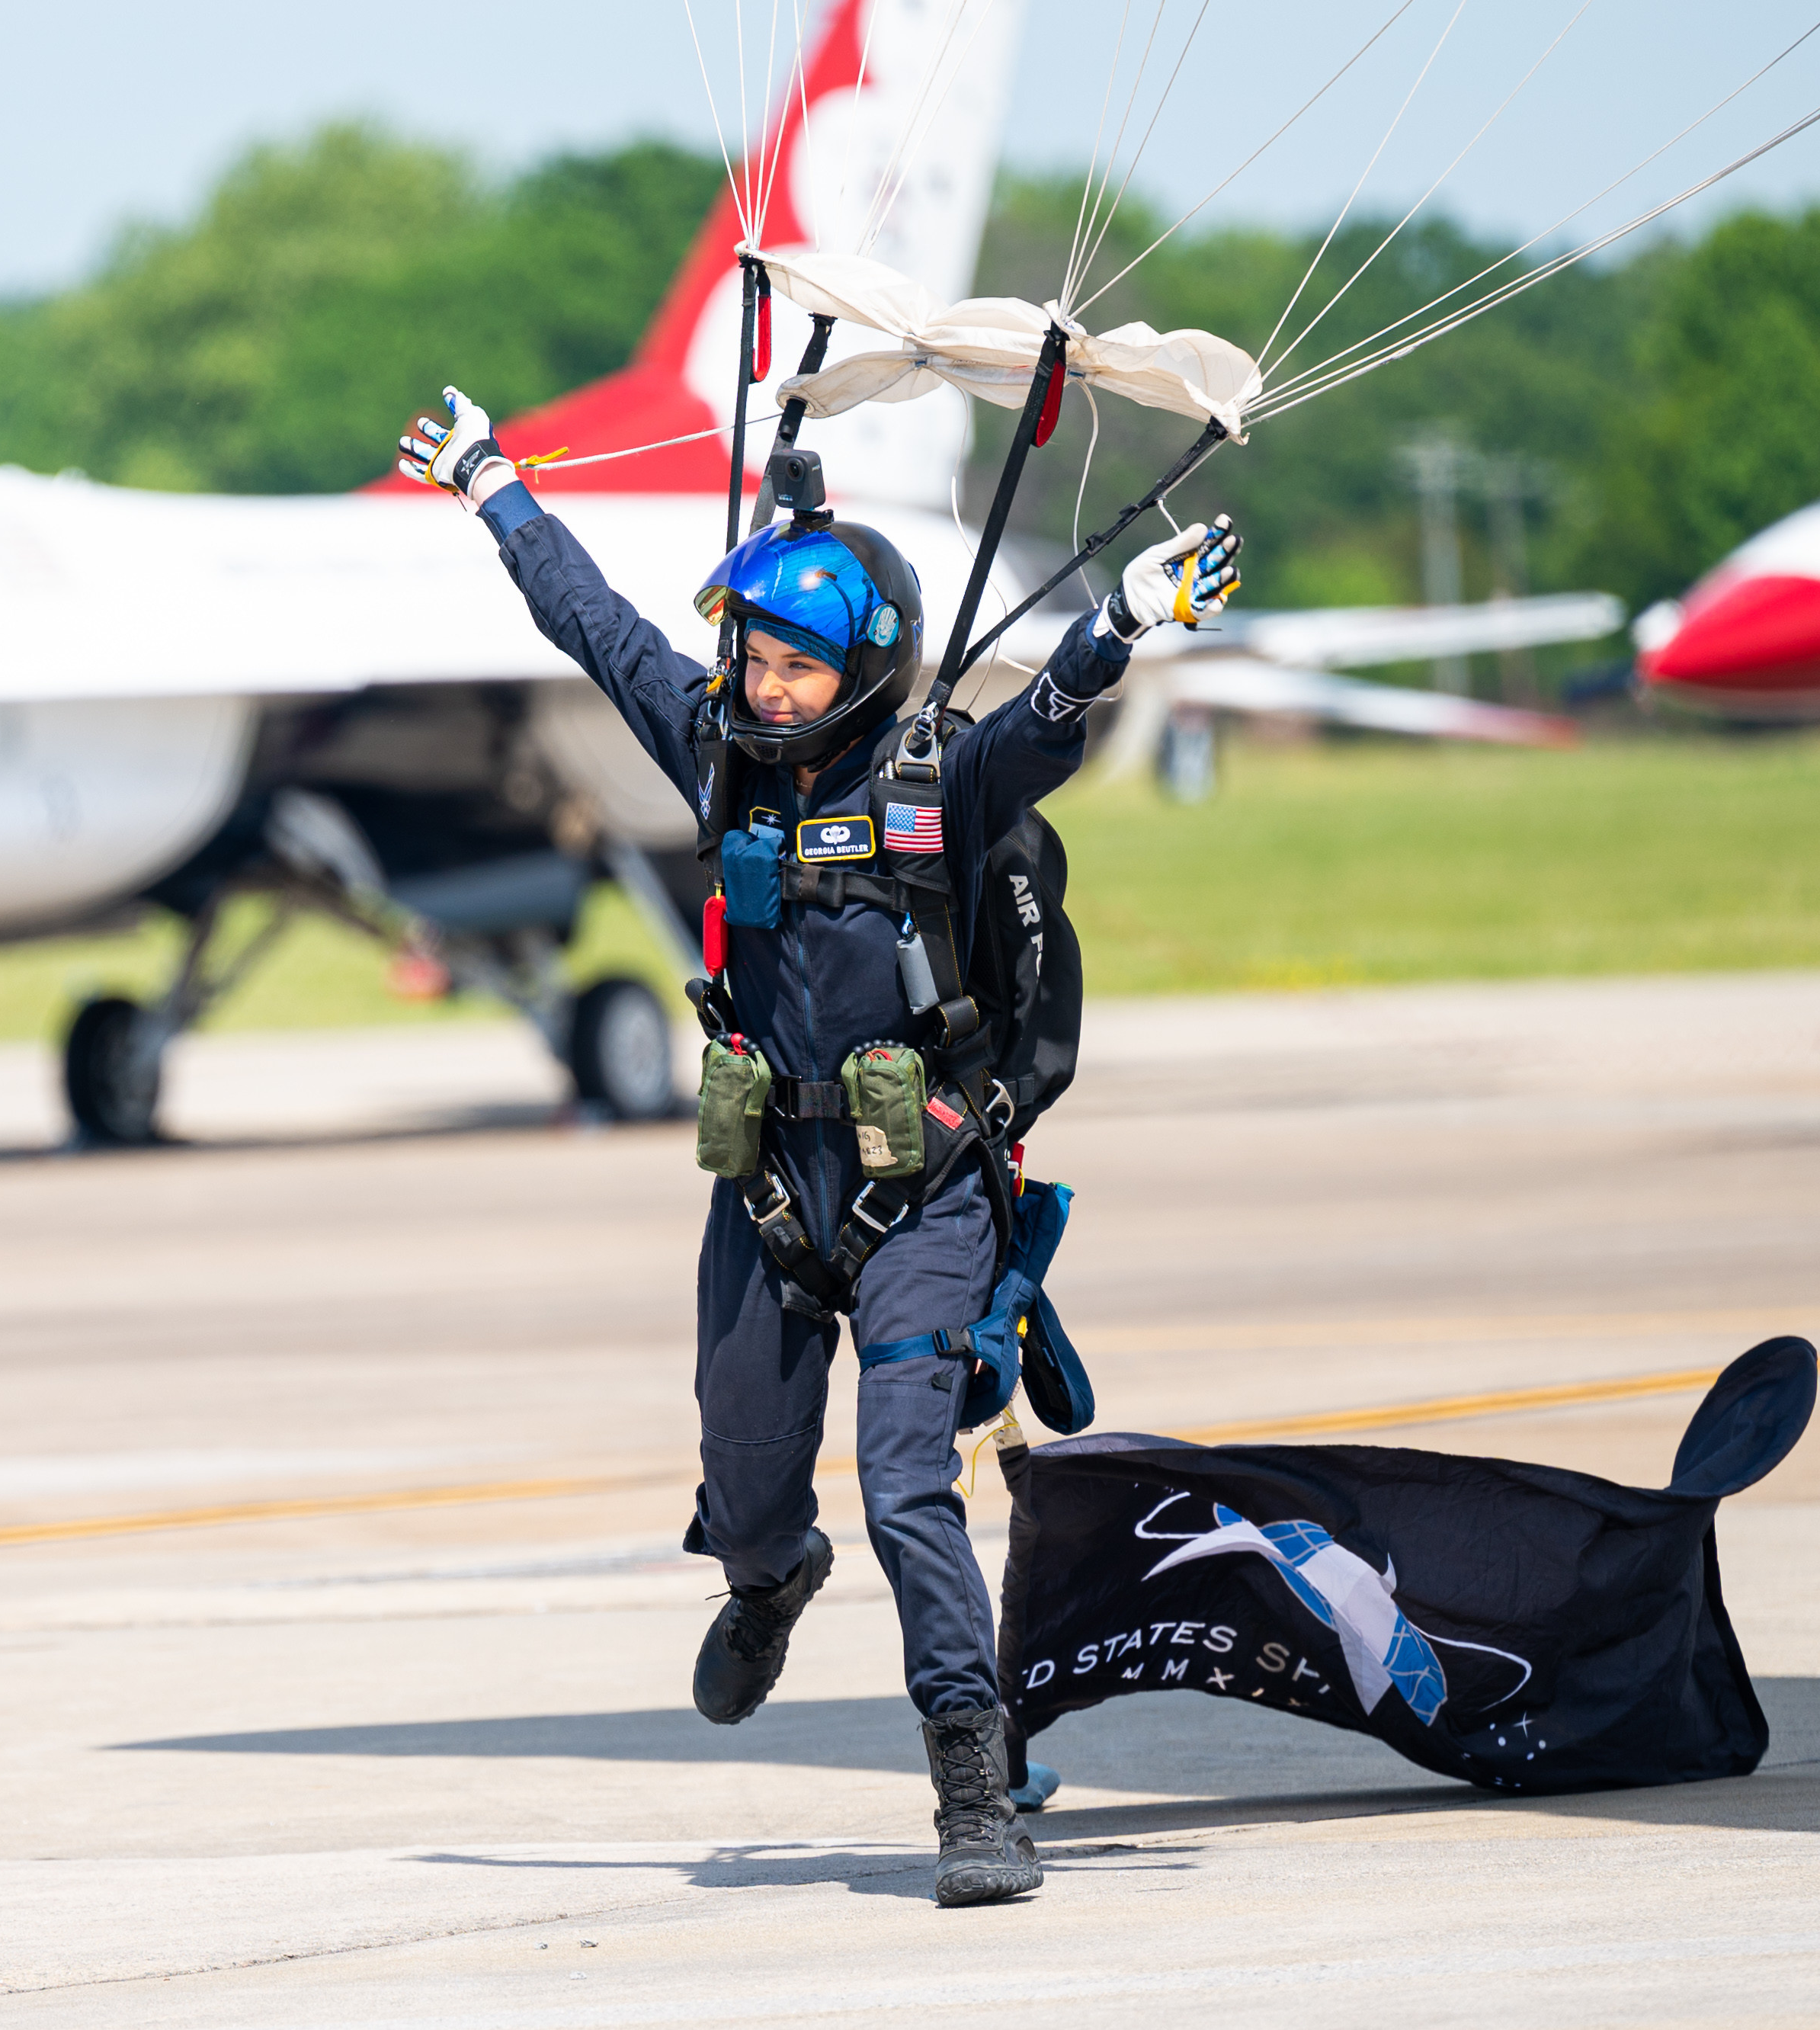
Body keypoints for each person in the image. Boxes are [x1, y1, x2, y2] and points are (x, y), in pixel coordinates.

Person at [400, 386, 1242, 1907]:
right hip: (771, 1199)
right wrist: (493, 488)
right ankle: (768, 1575)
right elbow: (595, 629)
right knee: (745, 1488)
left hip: (922, 1196)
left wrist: (1122, 620)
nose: (765, 687)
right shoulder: (713, 756)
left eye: (795, 665)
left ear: (860, 671)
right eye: (752, 658)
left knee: (907, 1487)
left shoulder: (933, 783)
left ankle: (972, 1792)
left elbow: (1044, 726)